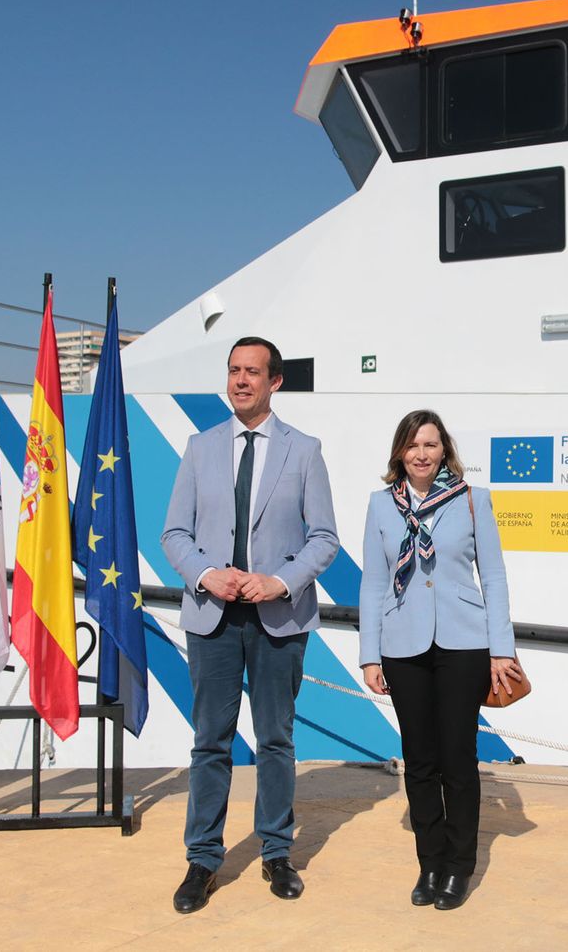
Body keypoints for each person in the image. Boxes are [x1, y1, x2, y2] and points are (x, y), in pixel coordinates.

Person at [161, 336, 339, 914]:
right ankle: (203, 860)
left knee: (276, 740)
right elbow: (174, 535)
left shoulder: (304, 449)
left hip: (278, 618)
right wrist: (206, 574)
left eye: (252, 372)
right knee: (210, 742)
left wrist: (279, 581)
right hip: (211, 618)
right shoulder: (199, 446)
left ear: (274, 382)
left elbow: (324, 539)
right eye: (234, 370)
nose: (241, 381)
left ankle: (276, 853)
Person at [358, 409, 522, 911]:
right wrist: (370, 655)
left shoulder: (473, 501)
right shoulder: (382, 505)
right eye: (412, 446)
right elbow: (372, 582)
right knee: (421, 761)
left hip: (464, 644)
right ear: (399, 454)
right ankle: (429, 863)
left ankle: (458, 866)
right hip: (402, 645)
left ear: (444, 450)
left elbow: (493, 577)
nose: (422, 454)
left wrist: (502, 649)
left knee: (458, 758)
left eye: (430, 445)